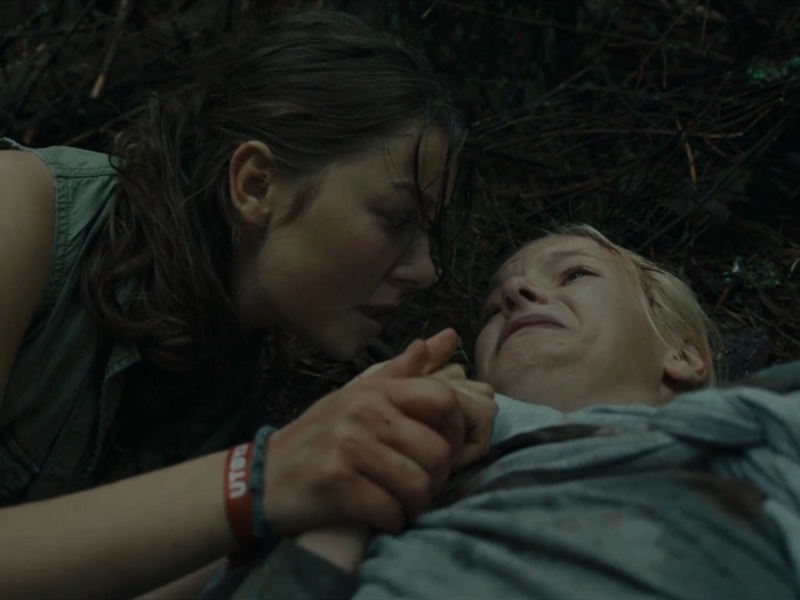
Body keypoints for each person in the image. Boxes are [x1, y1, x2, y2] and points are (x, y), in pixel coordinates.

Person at [0, 11, 498, 599]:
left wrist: (341, 463)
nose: (425, 270)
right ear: (256, 184)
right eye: (396, 219)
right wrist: (267, 475)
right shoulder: (23, 210)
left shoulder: (230, 387)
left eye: (428, 233)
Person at [216, 224, 800, 599]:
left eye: (575, 274)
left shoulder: (756, 430)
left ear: (683, 354)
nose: (517, 295)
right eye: (494, 308)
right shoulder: (391, 462)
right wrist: (346, 493)